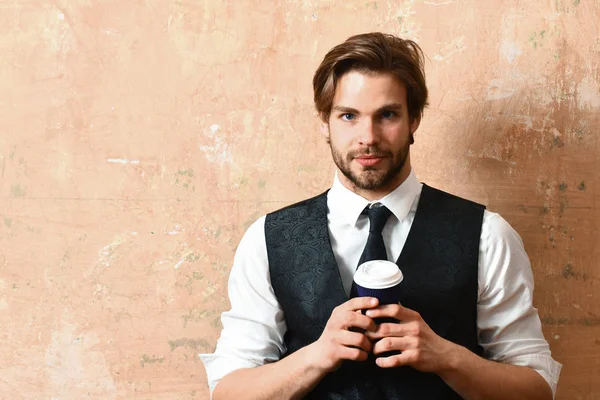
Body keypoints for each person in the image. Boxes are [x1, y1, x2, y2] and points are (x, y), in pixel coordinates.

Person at [200, 32, 561, 399]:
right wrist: (317, 356)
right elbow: (229, 392)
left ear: (414, 119)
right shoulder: (268, 239)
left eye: (387, 114)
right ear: (325, 121)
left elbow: (537, 389)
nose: (368, 137)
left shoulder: (488, 235)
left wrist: (447, 357)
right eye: (348, 116)